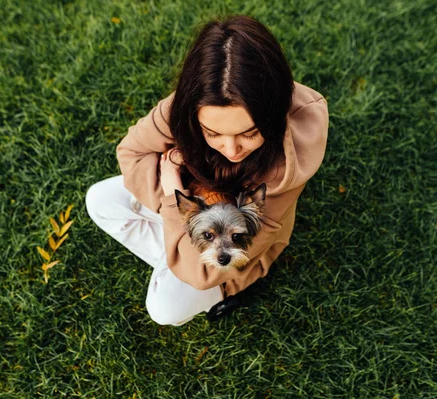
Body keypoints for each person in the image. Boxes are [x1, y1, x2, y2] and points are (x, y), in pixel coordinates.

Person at [85, 15, 329, 326]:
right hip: (196, 213)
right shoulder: (191, 103)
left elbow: (207, 272)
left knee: (164, 310)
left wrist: (175, 198)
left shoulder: (285, 169)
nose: (230, 149)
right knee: (100, 199)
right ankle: (178, 257)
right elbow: (131, 151)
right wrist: (183, 210)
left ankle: (214, 280)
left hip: (232, 254)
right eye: (212, 133)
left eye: (249, 133)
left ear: (272, 116)